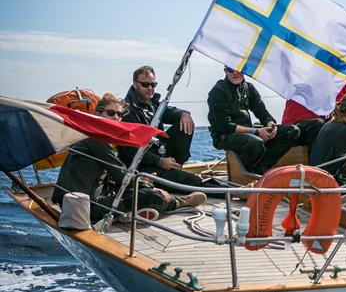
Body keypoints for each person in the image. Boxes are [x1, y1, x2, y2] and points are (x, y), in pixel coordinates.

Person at [53, 95, 206, 222]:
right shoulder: (94, 140)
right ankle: (179, 202)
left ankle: (125, 213)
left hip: (79, 199)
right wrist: (152, 189)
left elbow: (115, 175)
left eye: (120, 115)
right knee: (149, 195)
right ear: (98, 114)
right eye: (111, 113)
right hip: (83, 206)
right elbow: (121, 175)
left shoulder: (93, 137)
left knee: (135, 189)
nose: (116, 118)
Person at [119, 65, 205, 190]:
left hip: (160, 154)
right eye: (145, 85)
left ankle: (177, 166)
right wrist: (159, 162)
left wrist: (184, 114)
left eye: (153, 85)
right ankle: (231, 193)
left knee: (185, 123)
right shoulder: (127, 111)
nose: (150, 89)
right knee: (192, 181)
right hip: (142, 165)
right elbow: (130, 151)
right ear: (135, 84)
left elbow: (170, 112)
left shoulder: (153, 105)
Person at [208, 66, 300, 174]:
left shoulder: (249, 88)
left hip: (249, 133)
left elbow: (262, 112)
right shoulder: (218, 91)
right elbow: (225, 126)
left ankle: (261, 167)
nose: (235, 73)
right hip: (224, 136)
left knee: (292, 131)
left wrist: (271, 124)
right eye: (231, 69)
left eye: (240, 69)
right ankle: (248, 174)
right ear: (225, 71)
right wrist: (256, 132)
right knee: (255, 142)